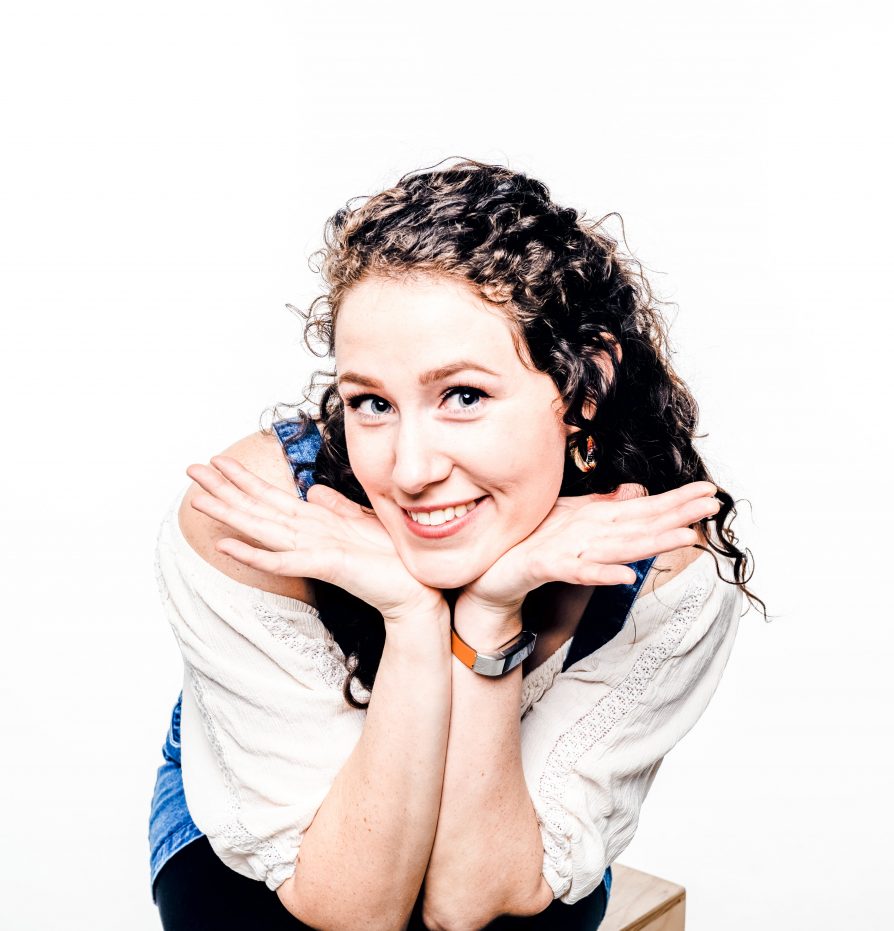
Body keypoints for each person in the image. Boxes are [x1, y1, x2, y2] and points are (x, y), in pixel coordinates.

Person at [147, 159, 765, 931]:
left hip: (507, 846)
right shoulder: (250, 515)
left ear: (585, 386)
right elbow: (350, 909)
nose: (410, 471)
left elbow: (470, 900)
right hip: (272, 848)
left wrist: (489, 612)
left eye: (463, 395)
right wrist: (411, 616)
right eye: (371, 402)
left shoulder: (664, 566)